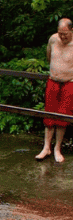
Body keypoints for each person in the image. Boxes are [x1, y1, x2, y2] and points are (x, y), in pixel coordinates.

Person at [36, 18, 73, 163]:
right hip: (53, 81)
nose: (62, 37)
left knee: (62, 117)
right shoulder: (53, 39)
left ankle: (57, 148)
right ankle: (46, 147)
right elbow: (49, 55)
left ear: (71, 30)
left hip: (69, 83)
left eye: (65, 34)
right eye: (60, 33)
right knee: (49, 115)